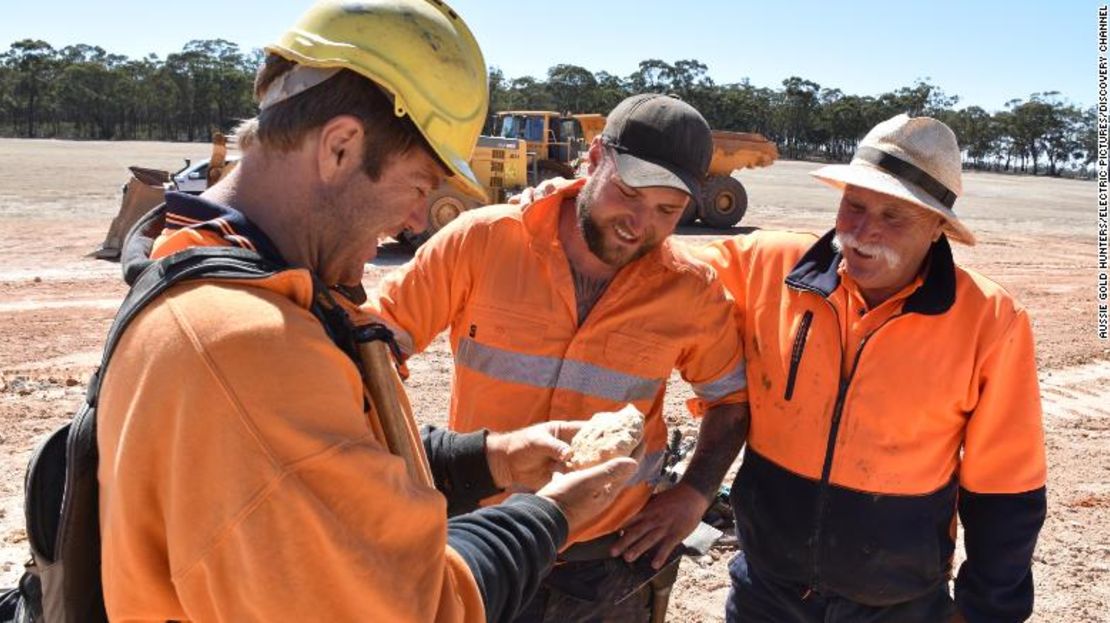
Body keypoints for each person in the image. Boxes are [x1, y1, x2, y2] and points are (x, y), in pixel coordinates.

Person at [95, 1, 638, 621]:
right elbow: (413, 603)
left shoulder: (233, 277)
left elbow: (331, 457)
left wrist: (493, 457)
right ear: (341, 148)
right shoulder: (244, 346)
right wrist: (553, 515)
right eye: (418, 185)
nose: (415, 220)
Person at [366, 93, 751, 621]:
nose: (639, 224)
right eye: (628, 194)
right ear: (593, 159)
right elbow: (373, 347)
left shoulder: (691, 290)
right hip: (486, 551)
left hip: (605, 568)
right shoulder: (482, 241)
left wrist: (695, 496)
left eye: (667, 210)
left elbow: (730, 399)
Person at [695, 114, 1047, 622]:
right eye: (854, 205)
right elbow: (659, 268)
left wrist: (988, 611)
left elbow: (1006, 490)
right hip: (767, 589)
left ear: (937, 229)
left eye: (894, 216)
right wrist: (568, 200)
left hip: (896, 602)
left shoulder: (990, 321)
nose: (862, 233)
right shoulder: (765, 268)